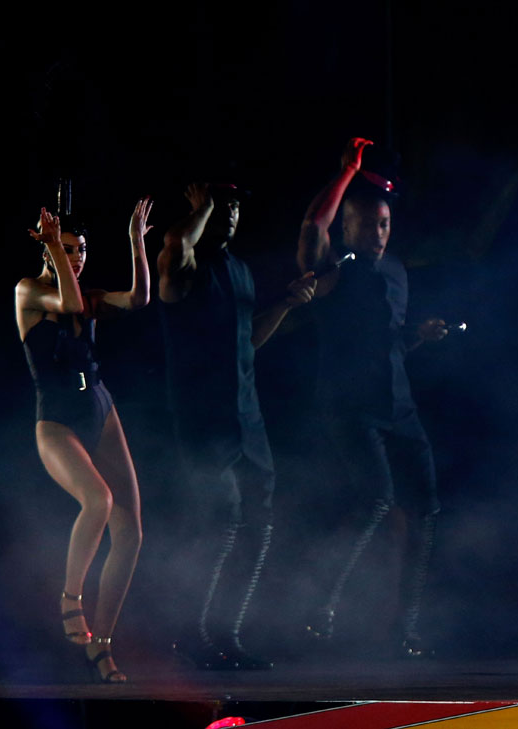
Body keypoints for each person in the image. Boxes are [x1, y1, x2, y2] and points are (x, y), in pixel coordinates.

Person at [296, 138, 446, 655]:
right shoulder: (332, 267)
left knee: (424, 511)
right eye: (366, 223)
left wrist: (418, 338)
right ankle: (323, 604)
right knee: (378, 499)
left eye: (383, 223)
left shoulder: (397, 272)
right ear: (348, 226)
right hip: (348, 405)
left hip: (399, 407)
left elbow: (391, 346)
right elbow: (313, 227)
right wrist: (347, 174)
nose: (377, 232)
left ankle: (404, 628)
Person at [159, 183, 316, 669]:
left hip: (247, 419)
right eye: (219, 205)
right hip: (203, 420)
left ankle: (226, 633)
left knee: (256, 525)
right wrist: (200, 210)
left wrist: (286, 304)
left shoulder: (239, 270)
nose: (229, 213)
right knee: (222, 520)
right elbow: (176, 251)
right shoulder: (186, 266)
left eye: (235, 205)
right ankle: (193, 634)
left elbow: (248, 340)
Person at [17, 200, 152, 682]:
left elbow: (138, 301)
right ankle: (70, 599)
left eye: (81, 250)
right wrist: (53, 247)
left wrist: (136, 240)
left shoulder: (88, 293)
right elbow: (69, 304)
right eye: (68, 250)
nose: (75, 258)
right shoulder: (29, 290)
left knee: (131, 531)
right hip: (55, 419)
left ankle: (104, 646)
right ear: (49, 249)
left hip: (98, 405)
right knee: (98, 500)